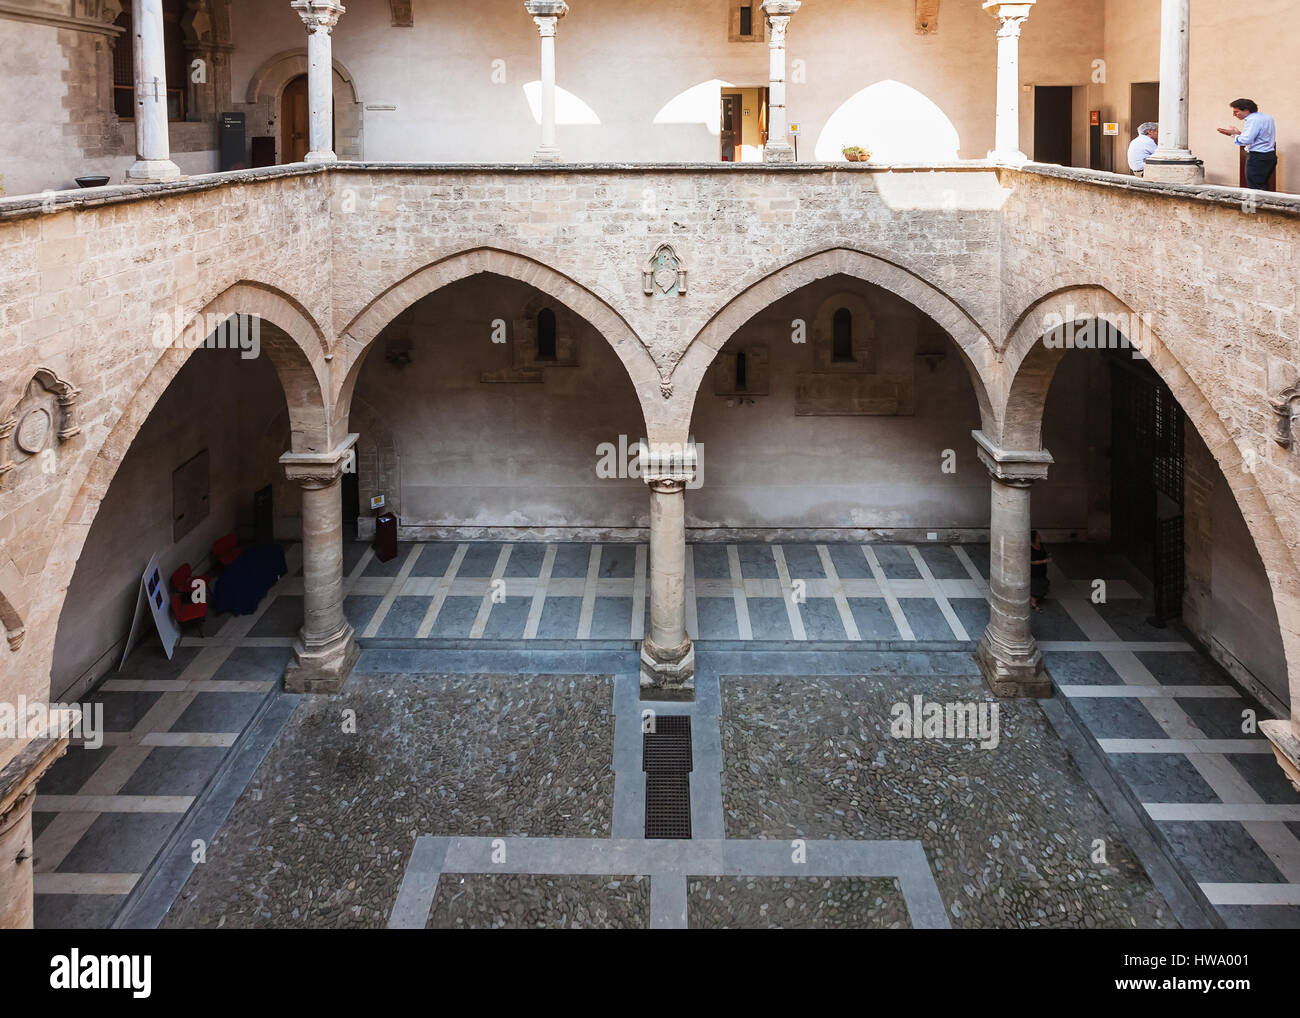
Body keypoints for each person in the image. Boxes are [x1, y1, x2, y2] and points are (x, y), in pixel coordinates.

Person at [1218, 98, 1278, 191]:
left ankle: (1255, 206)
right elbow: (1259, 137)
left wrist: (1232, 135)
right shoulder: (1266, 117)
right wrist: (1239, 134)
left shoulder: (1252, 120)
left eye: (1236, 112)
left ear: (1246, 110)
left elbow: (1245, 140)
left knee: (1255, 188)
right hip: (1269, 155)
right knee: (1263, 186)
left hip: (1257, 157)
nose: (1234, 115)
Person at [1030, 531, 1051, 611]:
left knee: (1042, 583)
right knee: (1036, 586)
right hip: (1034, 570)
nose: (1040, 538)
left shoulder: (1040, 545)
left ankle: (1035, 599)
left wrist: (1047, 557)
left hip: (1042, 569)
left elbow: (1044, 553)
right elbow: (1031, 561)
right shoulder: (1030, 548)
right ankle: (1033, 603)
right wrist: (1044, 561)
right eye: (1038, 537)